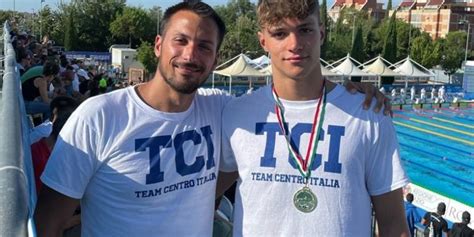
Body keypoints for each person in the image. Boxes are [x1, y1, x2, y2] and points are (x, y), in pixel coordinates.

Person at [35, 1, 389, 236]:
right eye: (181, 41)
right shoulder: (99, 117)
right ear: (158, 45)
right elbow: (48, 223)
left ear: (216, 57)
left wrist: (349, 91)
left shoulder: (222, 109)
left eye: (204, 46)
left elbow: (292, 108)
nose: (191, 55)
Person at [218, 0, 409, 236]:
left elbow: (393, 225)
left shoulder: (368, 114)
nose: (295, 44)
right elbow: (197, 196)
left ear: (321, 33)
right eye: (280, 33)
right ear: (263, 41)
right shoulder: (236, 114)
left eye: (305, 30)